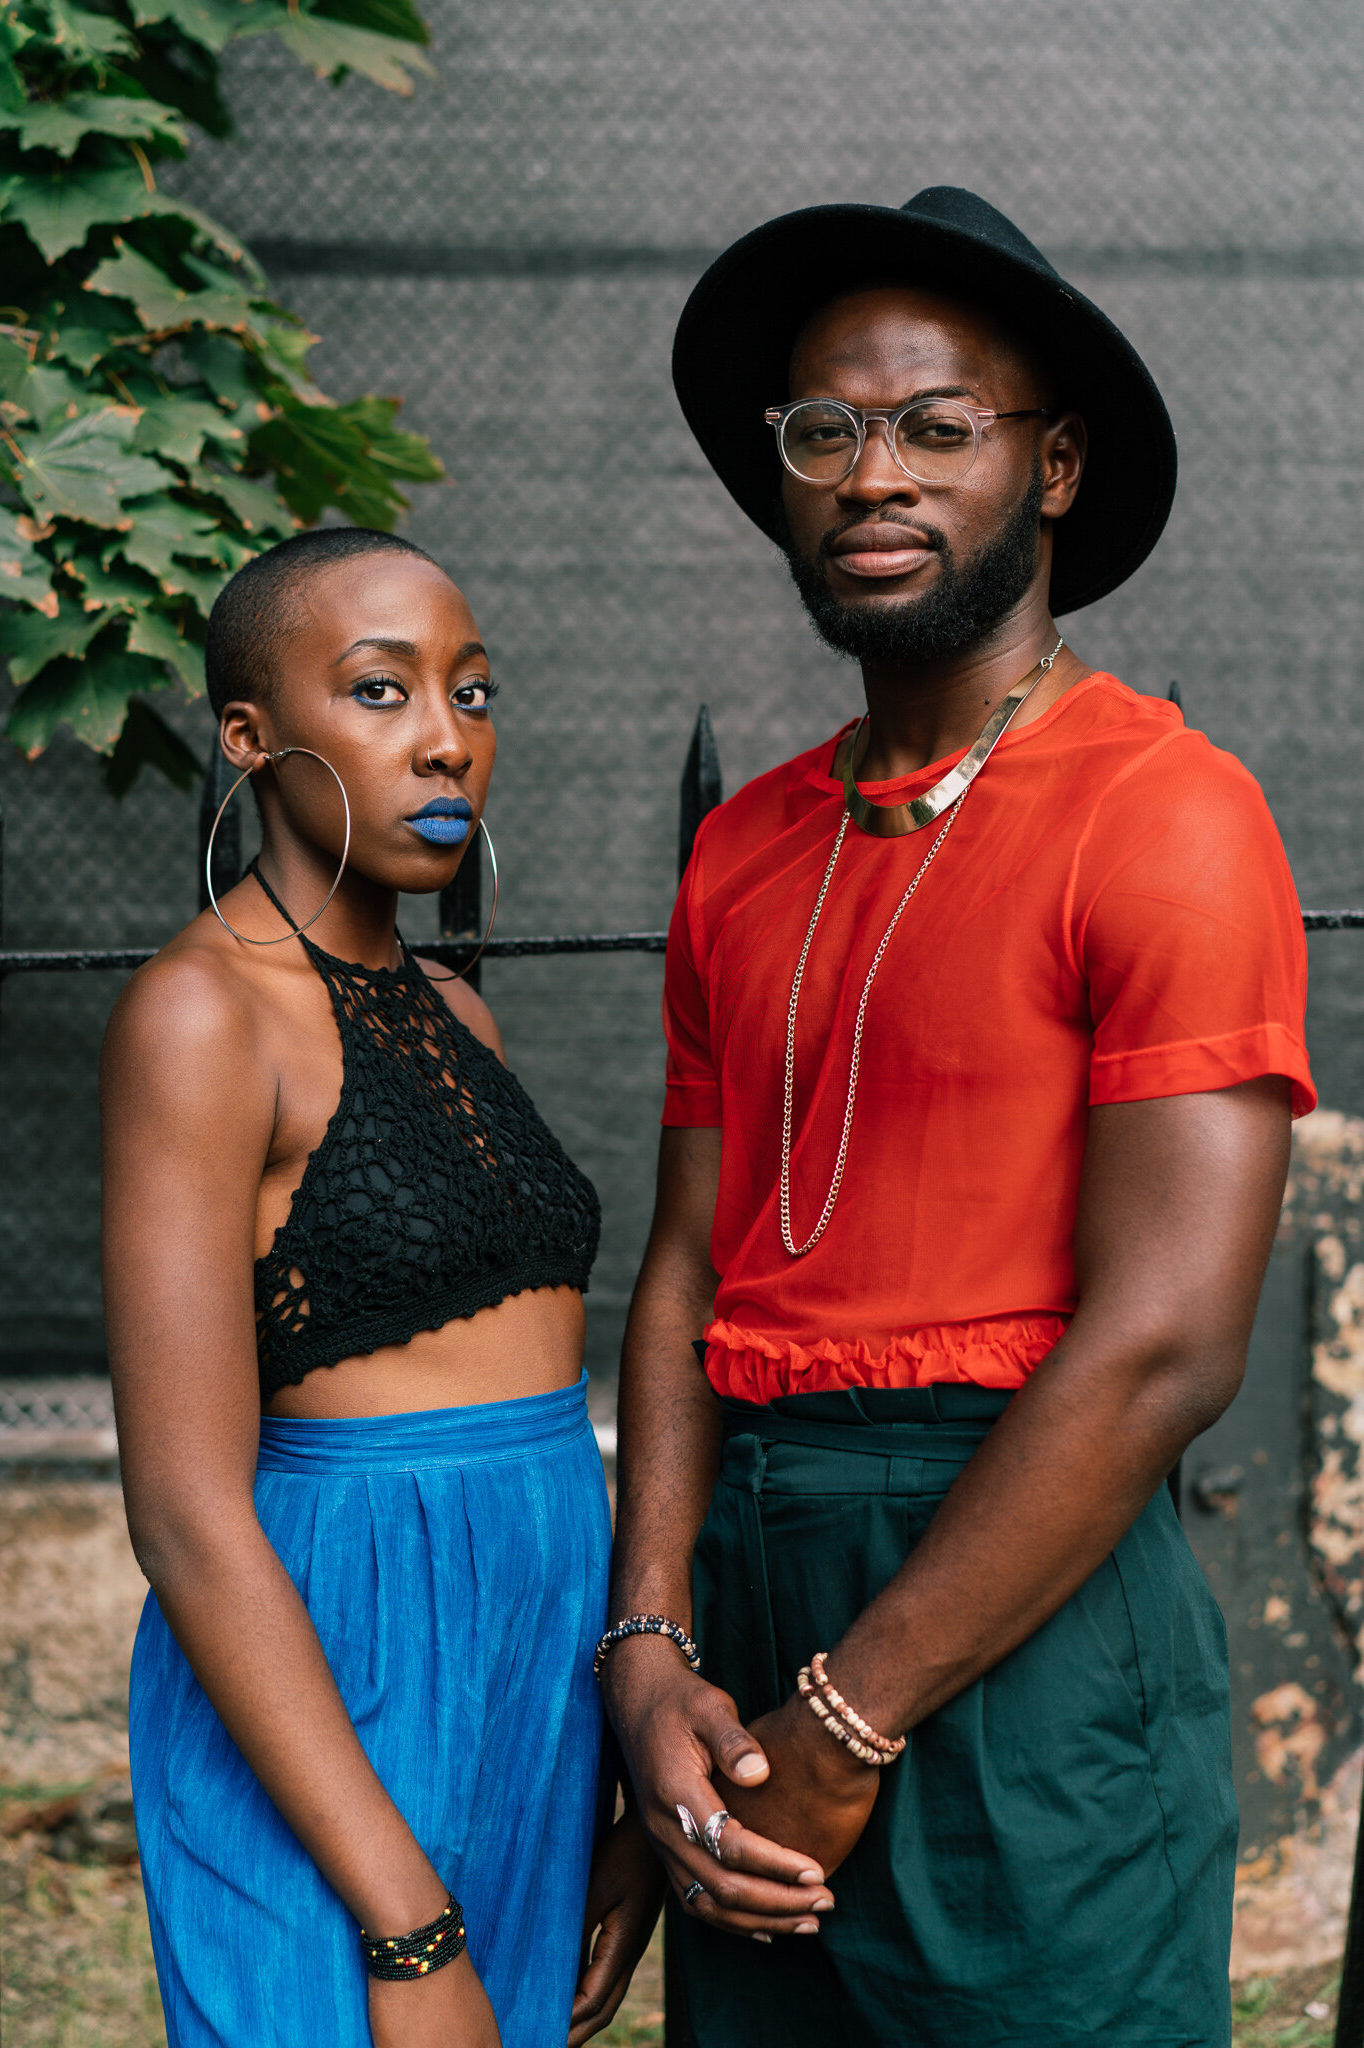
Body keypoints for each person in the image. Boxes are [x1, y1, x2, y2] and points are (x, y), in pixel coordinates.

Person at [599, 188, 1316, 2045]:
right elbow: (684, 1268)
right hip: (748, 1557)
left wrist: (849, 1719)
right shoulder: (745, 847)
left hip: (1019, 1589)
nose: (870, 474)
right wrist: (652, 1642)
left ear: (1053, 465)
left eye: (937, 425)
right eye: (823, 431)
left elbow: (1164, 1346)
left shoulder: (1165, 812)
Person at [101, 527, 661, 2048]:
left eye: (473, 696)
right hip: (332, 1666)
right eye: (378, 690)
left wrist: (611, 1780)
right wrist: (411, 1935)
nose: (443, 739)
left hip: (529, 1677)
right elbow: (186, 1514)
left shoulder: (457, 1015)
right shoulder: (202, 1016)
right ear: (249, 737)